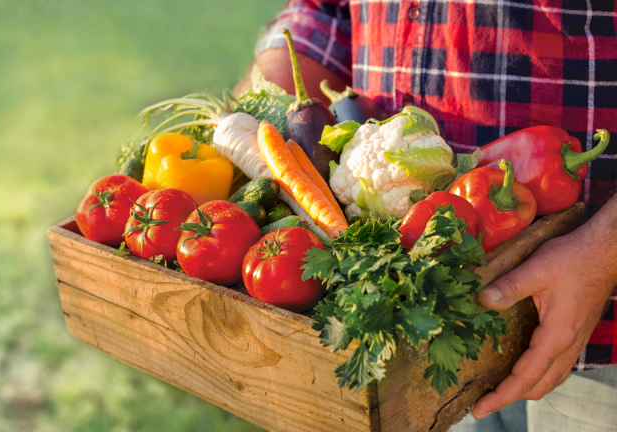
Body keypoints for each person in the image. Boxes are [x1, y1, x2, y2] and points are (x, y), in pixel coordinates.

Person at [236, 1, 617, 431]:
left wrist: (604, 253)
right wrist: (250, 127)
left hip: (594, 317)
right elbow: (325, 11)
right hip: (417, 335)